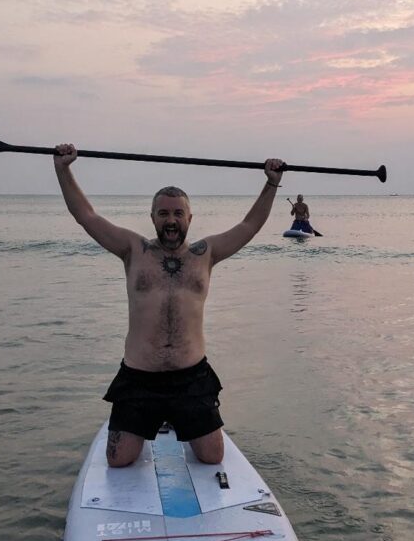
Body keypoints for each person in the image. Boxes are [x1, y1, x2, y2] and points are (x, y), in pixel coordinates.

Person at [54, 145, 285, 468]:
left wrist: (271, 183)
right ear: (152, 218)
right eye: (163, 213)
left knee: (212, 457)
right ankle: (153, 424)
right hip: (139, 379)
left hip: (191, 379)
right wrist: (63, 169)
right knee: (118, 461)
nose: (171, 220)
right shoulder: (133, 250)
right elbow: (86, 216)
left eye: (178, 213)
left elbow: (249, 226)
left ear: (189, 218)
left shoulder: (206, 253)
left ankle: (178, 421)